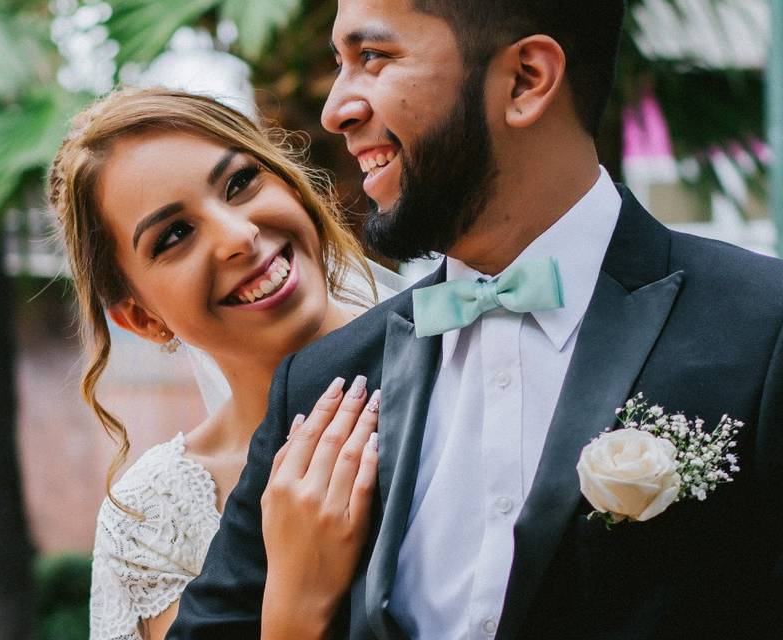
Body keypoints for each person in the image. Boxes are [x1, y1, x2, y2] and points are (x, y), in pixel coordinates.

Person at [169, 1, 783, 639]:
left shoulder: (764, 331)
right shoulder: (322, 384)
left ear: (525, 80)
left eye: (372, 58)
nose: (336, 110)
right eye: (339, 64)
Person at [47, 88, 403, 640]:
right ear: (142, 318)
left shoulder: (461, 344)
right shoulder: (154, 519)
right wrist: (294, 605)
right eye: (176, 235)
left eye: (240, 183)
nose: (240, 237)